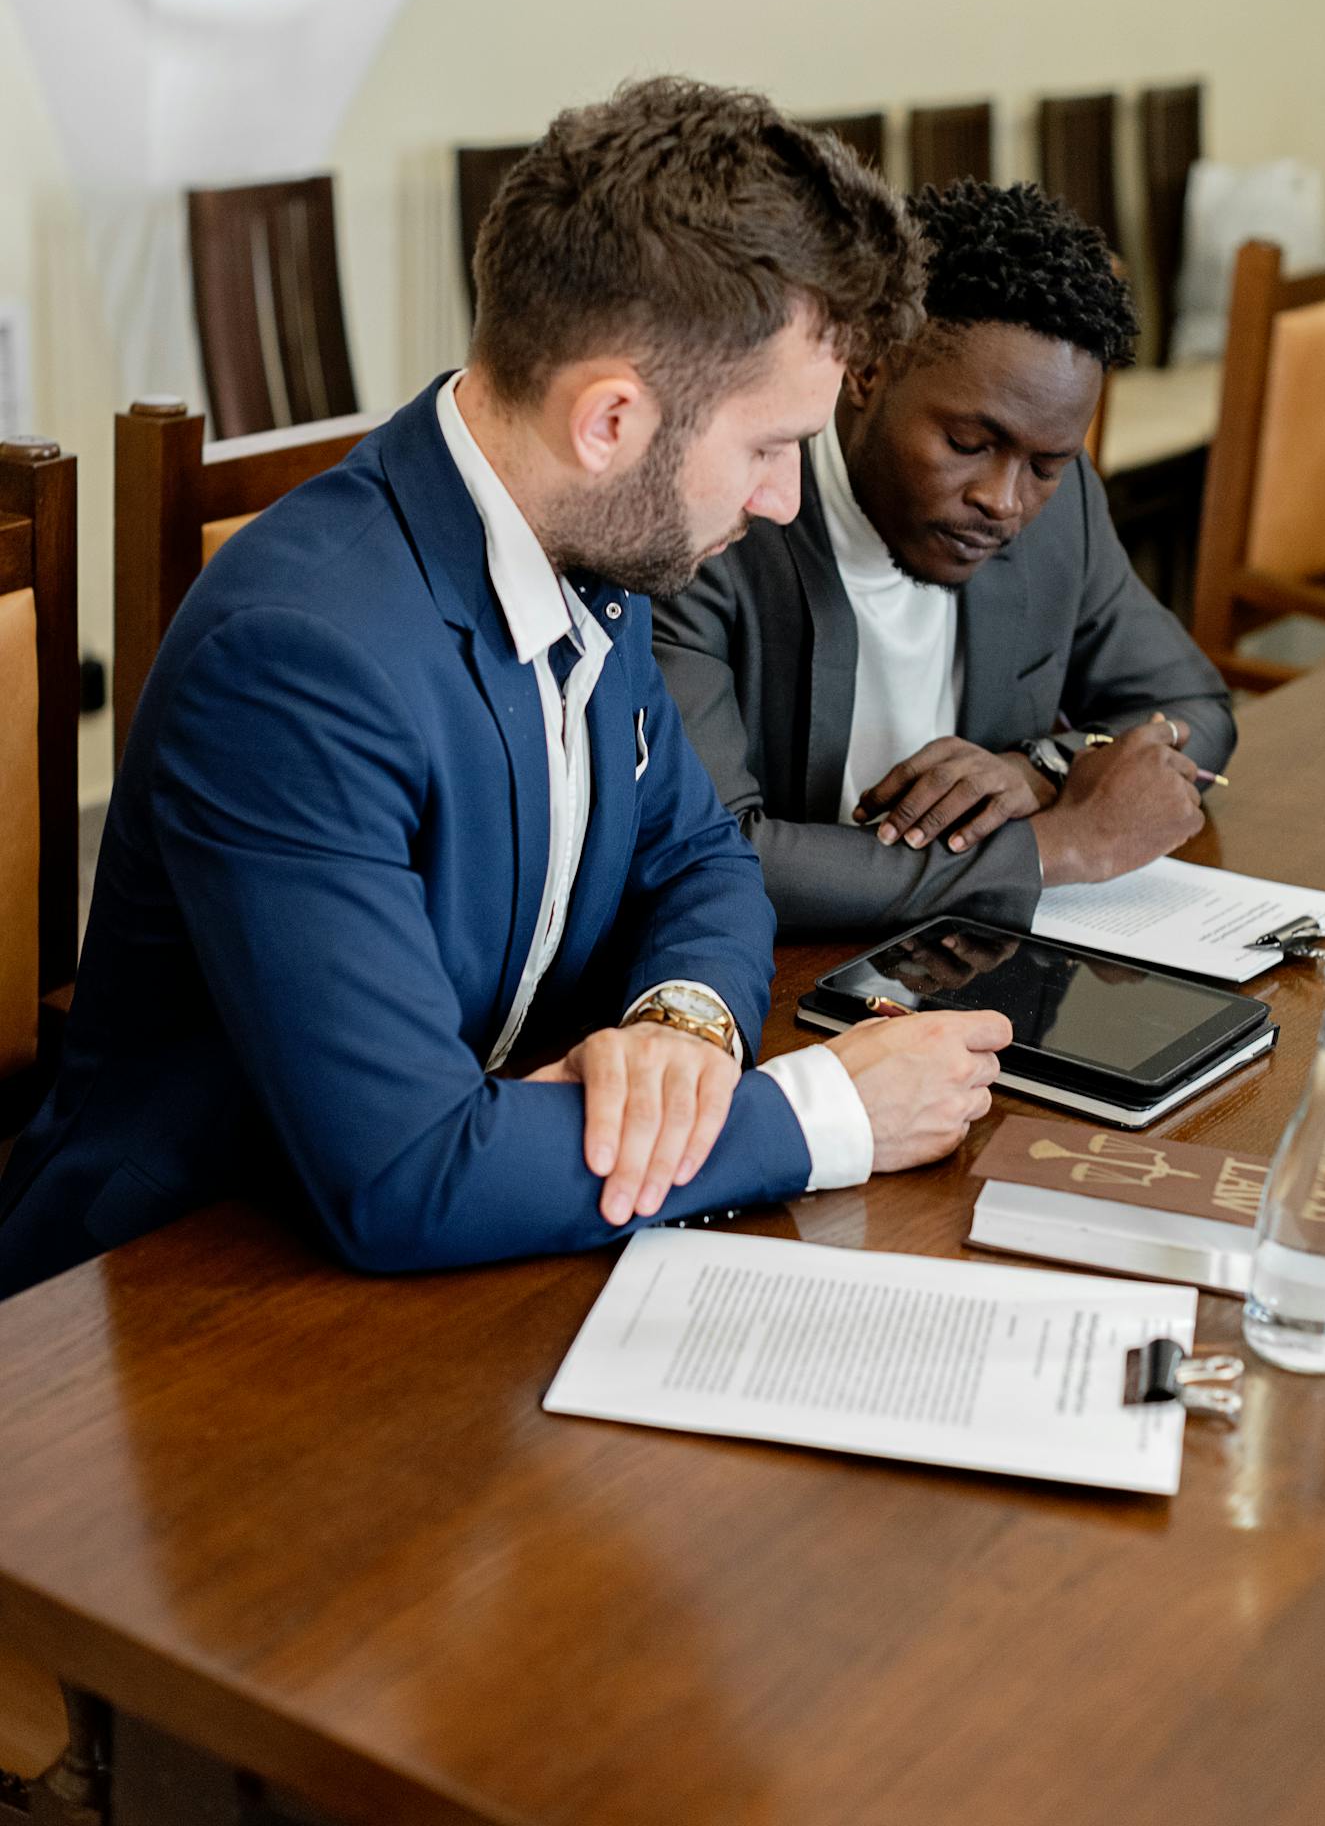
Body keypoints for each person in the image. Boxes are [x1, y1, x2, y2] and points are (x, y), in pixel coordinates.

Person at [0, 79, 1011, 1299]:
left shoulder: (596, 536)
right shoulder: (293, 661)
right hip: (173, 1296)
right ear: (611, 420)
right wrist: (823, 1112)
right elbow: (406, 1172)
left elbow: (697, 858)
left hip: (476, 1211)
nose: (782, 499)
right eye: (766, 446)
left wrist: (679, 1027)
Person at [652, 179, 1235, 935]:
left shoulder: (1058, 507)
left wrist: (1039, 770)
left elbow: (1196, 710)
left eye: (1047, 465)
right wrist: (1055, 847)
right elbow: (717, 857)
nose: (1004, 499)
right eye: (967, 444)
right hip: (770, 982)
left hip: (966, 967)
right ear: (865, 370)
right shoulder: (714, 521)